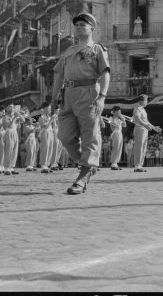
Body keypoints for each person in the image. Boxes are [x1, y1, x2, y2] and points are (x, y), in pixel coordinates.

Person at [52, 12, 111, 194]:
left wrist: (102, 96)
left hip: (88, 93)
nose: (78, 28)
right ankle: (86, 163)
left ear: (91, 28)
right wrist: (53, 98)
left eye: (82, 25)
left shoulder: (97, 49)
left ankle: (83, 176)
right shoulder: (68, 52)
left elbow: (106, 73)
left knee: (89, 135)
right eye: (76, 25)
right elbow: (59, 75)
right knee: (64, 135)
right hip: (68, 94)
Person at [132, 94, 161, 172]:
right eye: (146, 100)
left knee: (144, 147)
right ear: (141, 101)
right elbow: (137, 118)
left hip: (144, 129)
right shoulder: (137, 108)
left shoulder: (143, 109)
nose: (147, 102)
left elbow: (146, 121)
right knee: (139, 147)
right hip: (139, 128)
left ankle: (140, 165)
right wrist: (145, 125)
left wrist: (154, 128)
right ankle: (137, 165)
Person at [38, 103, 54, 173]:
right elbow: (45, 126)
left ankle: (47, 164)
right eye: (48, 108)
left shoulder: (50, 117)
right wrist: (51, 120)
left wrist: (52, 119)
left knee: (50, 148)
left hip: (50, 133)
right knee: (45, 148)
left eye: (50, 108)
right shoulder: (41, 117)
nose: (50, 110)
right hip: (45, 133)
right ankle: (43, 165)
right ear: (44, 108)